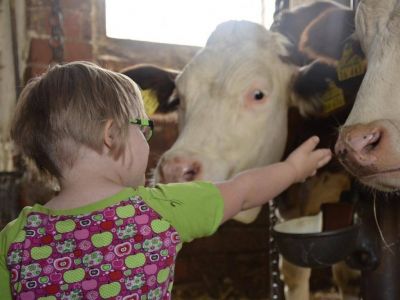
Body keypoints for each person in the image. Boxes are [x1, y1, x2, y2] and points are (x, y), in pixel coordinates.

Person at [0, 61, 331, 299]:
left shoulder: (14, 239)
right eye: (144, 129)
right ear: (111, 135)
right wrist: (292, 169)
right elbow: (243, 192)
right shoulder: (160, 209)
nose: (148, 141)